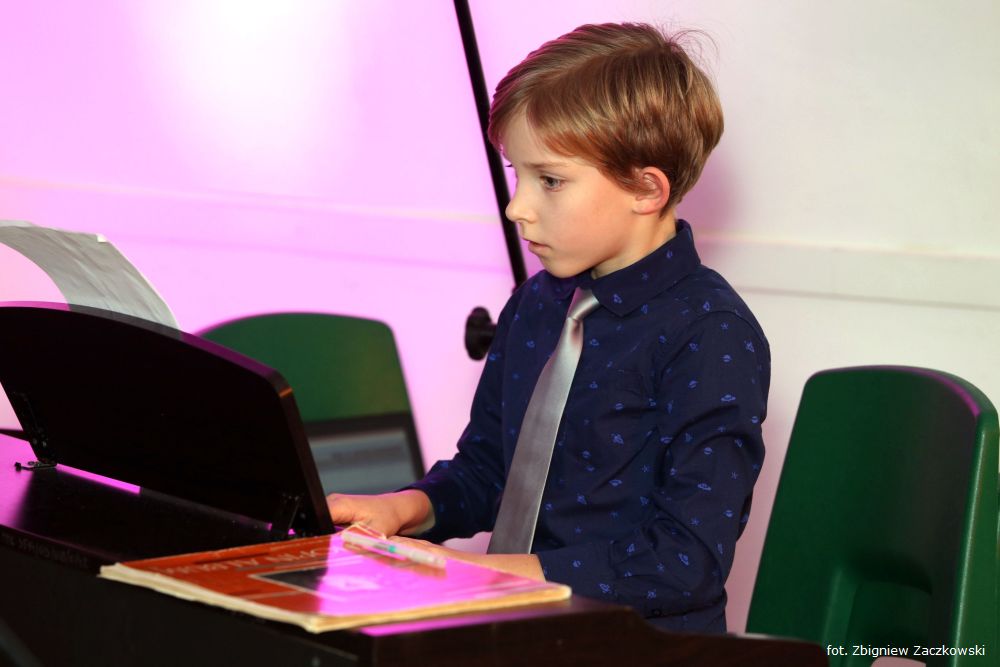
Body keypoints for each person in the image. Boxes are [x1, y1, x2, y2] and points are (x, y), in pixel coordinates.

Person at [327, 22, 769, 633]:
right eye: (517, 174)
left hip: (635, 645)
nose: (517, 206)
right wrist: (404, 507)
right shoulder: (536, 304)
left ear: (646, 189)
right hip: (513, 631)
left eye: (550, 180)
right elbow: (490, 472)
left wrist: (486, 575)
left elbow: (684, 560)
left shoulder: (710, 333)